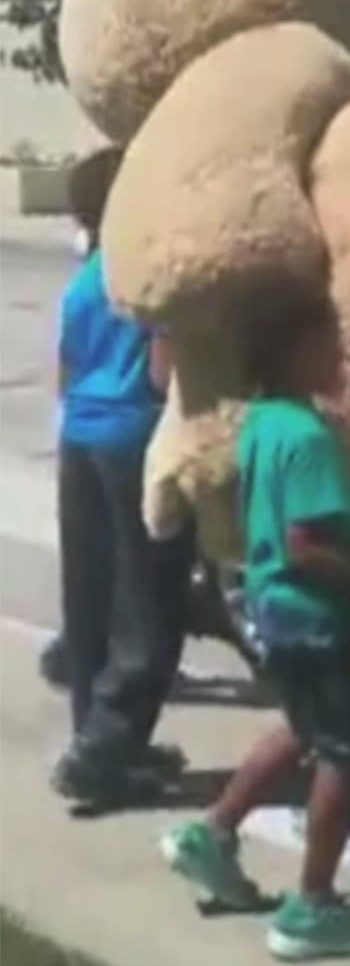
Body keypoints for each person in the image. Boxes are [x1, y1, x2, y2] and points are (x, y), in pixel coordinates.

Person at [162, 294, 350, 962]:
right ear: (296, 352)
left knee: (306, 726)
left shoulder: (266, 421)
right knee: (348, 751)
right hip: (317, 615)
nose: (342, 355)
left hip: (273, 609)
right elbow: (305, 544)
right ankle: (311, 906)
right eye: (331, 342)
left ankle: (213, 832)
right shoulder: (309, 438)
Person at [52, 148, 194, 805]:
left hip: (79, 434)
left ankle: (96, 732)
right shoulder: (150, 272)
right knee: (148, 604)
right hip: (135, 437)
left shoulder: (86, 276)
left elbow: (65, 371)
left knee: (90, 597)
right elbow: (164, 375)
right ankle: (106, 746)